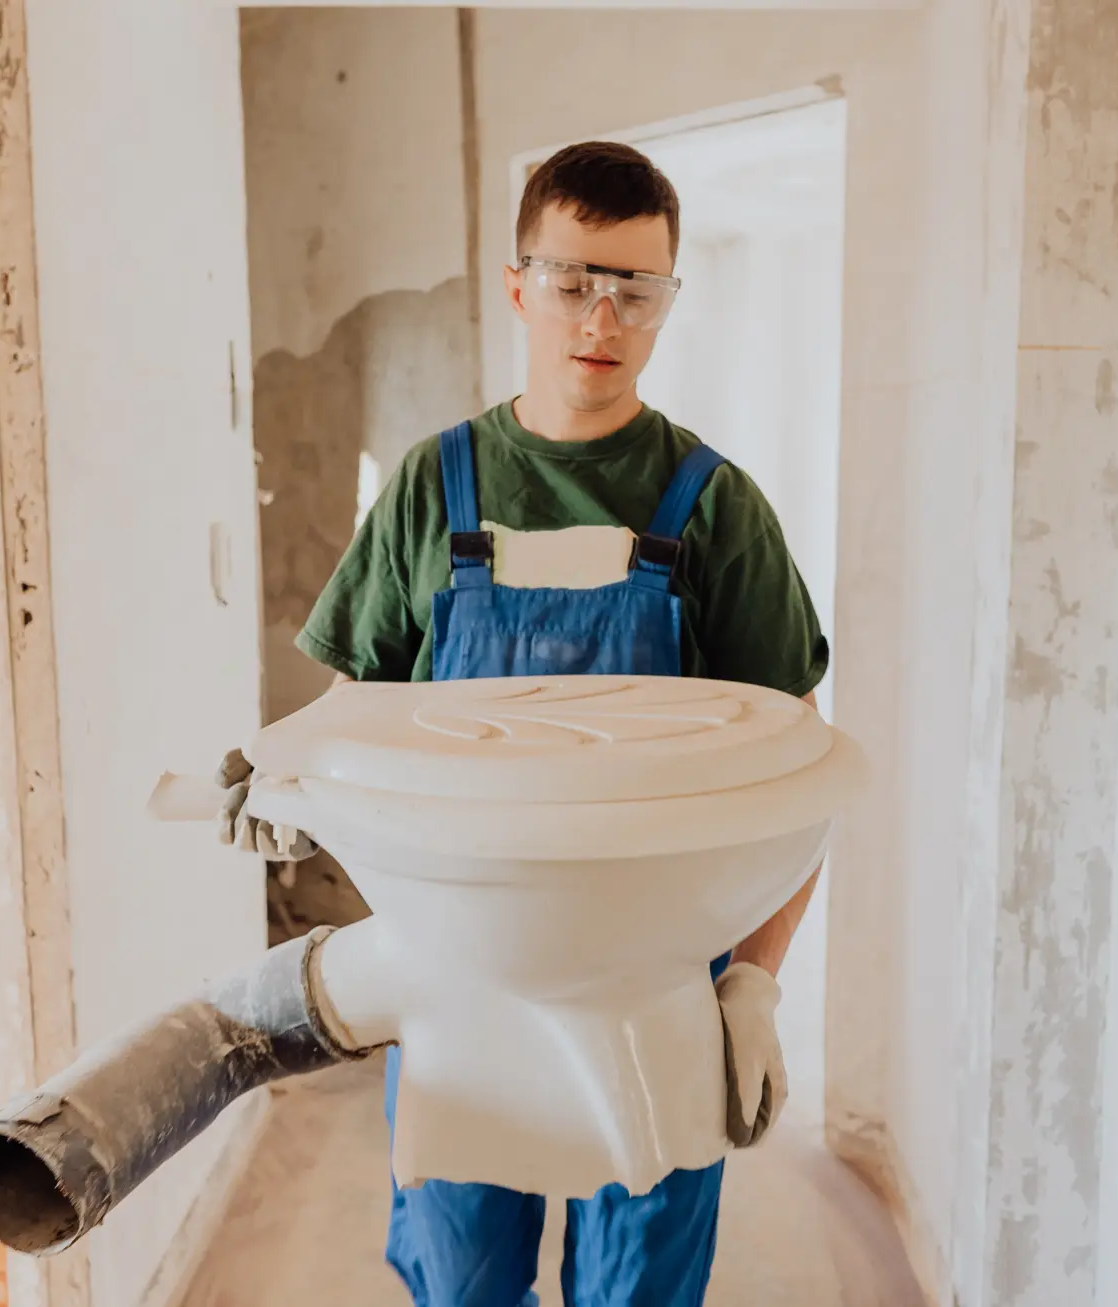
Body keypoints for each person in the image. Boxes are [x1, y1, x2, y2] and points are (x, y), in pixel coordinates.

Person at [221, 140, 829, 1307]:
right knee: (462, 1281)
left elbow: (797, 771)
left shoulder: (712, 508)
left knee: (635, 1290)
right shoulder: (430, 486)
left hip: (655, 995)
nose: (600, 317)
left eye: (634, 289)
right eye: (571, 280)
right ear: (517, 285)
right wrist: (282, 768)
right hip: (459, 987)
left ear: (665, 304)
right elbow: (361, 706)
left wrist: (752, 983)